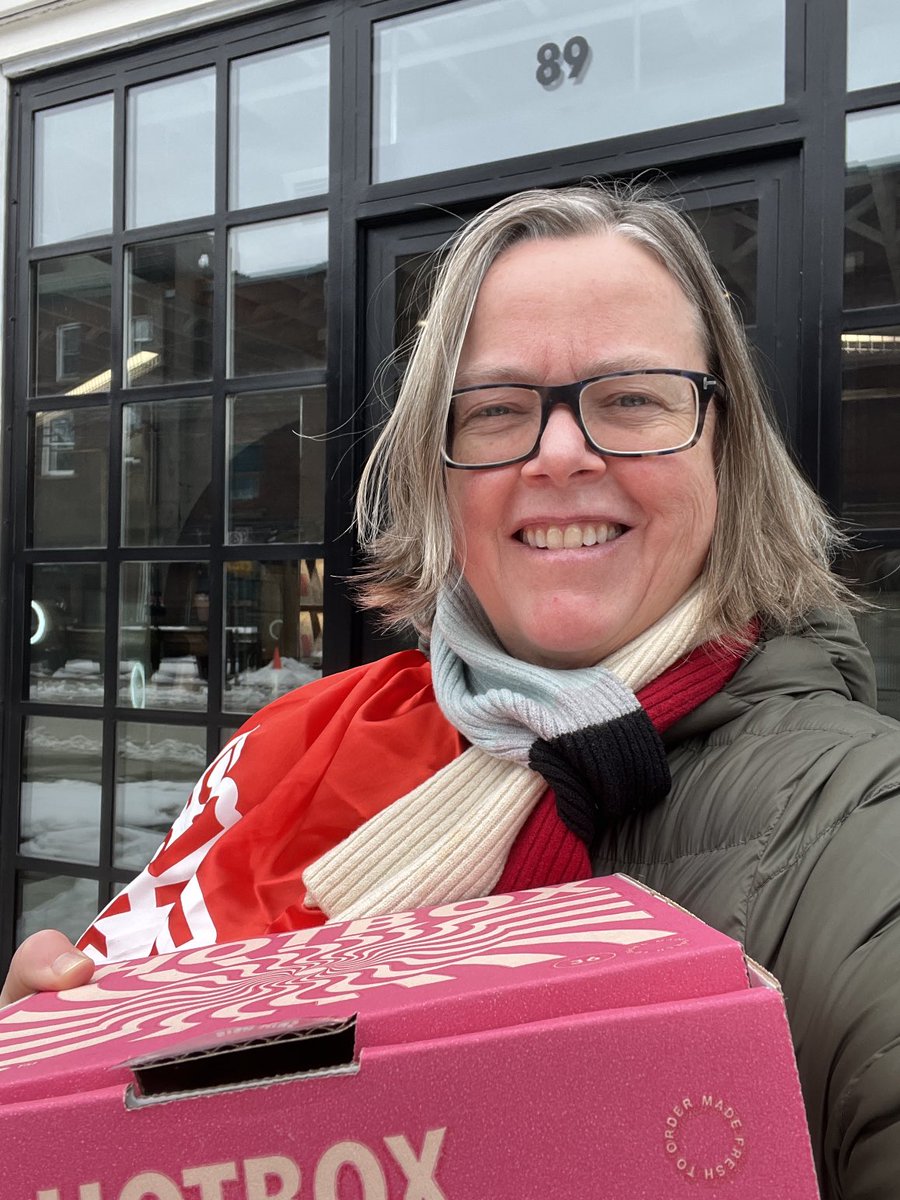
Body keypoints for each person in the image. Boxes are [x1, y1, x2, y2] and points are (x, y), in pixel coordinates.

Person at [3, 184, 899, 1199]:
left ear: (726, 451)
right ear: (441, 475)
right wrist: (46, 1090)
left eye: (633, 398)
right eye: (499, 410)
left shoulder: (861, 830)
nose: (562, 454)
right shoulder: (298, 743)